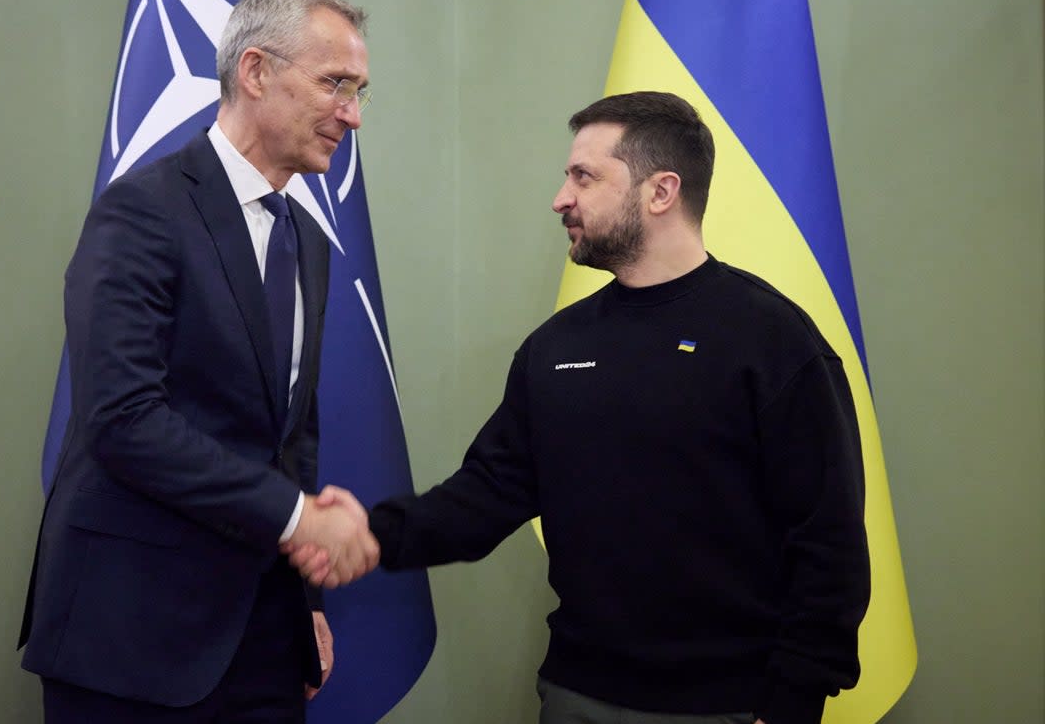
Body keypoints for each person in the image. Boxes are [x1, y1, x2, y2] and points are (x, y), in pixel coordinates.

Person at [293, 91, 871, 724]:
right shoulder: (556, 347)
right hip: (576, 692)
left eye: (583, 176)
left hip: (730, 704)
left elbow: (828, 542)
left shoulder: (774, 342)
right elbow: (485, 496)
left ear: (660, 192)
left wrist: (794, 699)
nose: (560, 198)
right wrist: (363, 534)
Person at [18, 0, 379, 724]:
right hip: (131, 643)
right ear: (255, 72)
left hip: (262, 642)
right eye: (334, 83)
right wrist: (298, 518)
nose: (352, 113)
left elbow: (291, 435)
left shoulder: (307, 240)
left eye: (359, 90)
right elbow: (123, 420)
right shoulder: (140, 213)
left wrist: (303, 594)